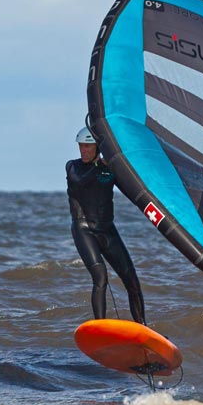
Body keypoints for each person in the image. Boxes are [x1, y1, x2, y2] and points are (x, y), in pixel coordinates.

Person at [66, 126, 145, 324]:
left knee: (132, 281)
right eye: (81, 146)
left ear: (97, 147)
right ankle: (100, 328)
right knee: (100, 276)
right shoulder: (73, 167)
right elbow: (82, 182)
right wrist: (103, 163)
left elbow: (131, 187)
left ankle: (143, 329)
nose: (83, 150)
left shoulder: (107, 171)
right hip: (84, 230)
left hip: (107, 230)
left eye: (88, 146)